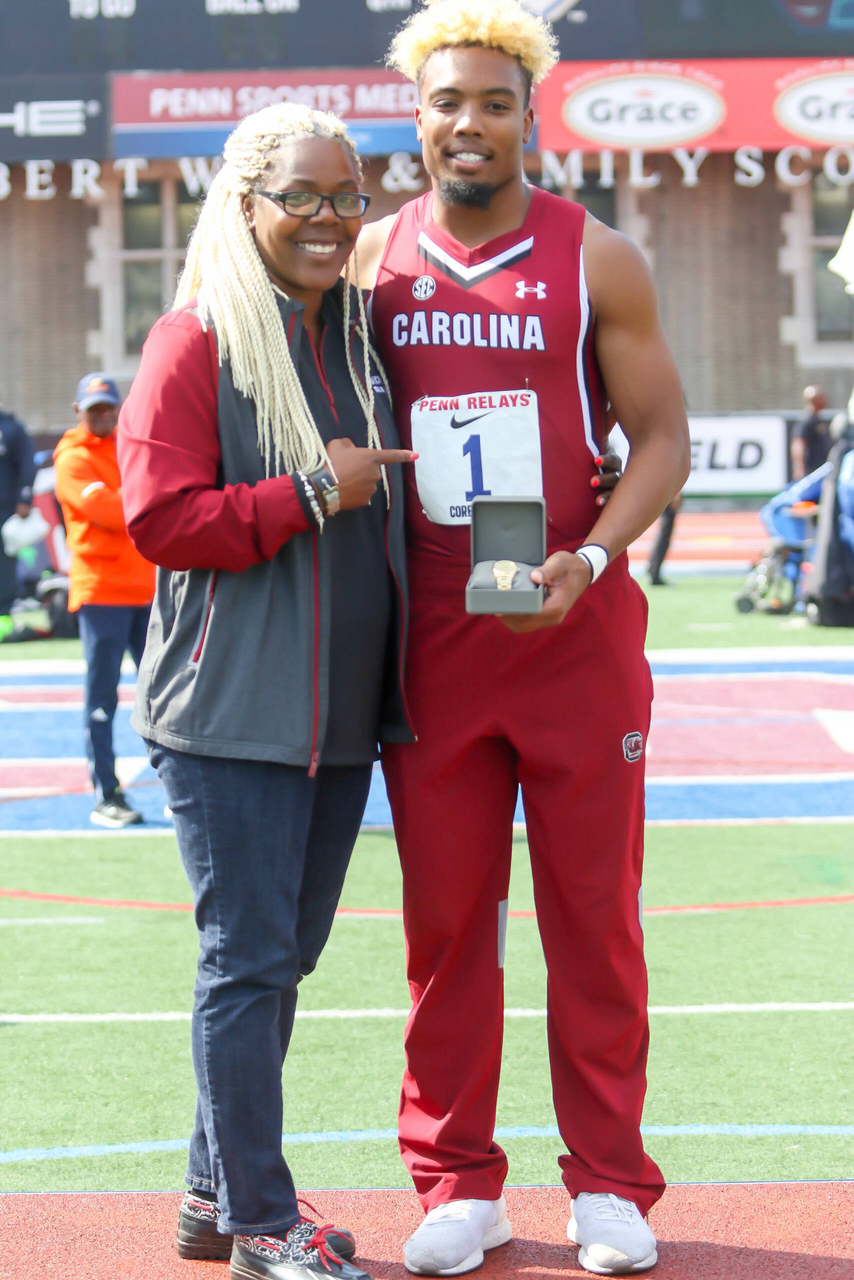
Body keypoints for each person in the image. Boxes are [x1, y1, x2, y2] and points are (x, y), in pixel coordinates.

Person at [355, 1, 691, 1274]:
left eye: (493, 100)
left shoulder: (595, 255)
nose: (469, 121)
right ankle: (456, 1180)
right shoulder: (375, 259)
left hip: (570, 623)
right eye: (447, 101)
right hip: (434, 635)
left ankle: (609, 1182)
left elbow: (660, 434)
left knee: (591, 915)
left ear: (527, 115)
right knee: (444, 925)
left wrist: (593, 553)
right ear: (417, 114)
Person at [116, 104, 417, 1280]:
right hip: (229, 716)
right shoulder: (193, 339)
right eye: (301, 195)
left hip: (338, 717)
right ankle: (259, 1219)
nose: (328, 219)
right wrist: (305, 493)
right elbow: (158, 519)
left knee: (277, 959)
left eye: (346, 195)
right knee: (246, 960)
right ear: (246, 203)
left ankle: (209, 1193)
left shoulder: (355, 336)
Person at [53, 375, 155, 827]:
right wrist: (145, 497)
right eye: (94, 409)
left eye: (108, 407)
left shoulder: (126, 444)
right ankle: (106, 795)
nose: (103, 415)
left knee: (166, 696)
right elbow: (114, 513)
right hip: (101, 593)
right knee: (102, 699)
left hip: (146, 588)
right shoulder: (72, 459)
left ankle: (180, 786)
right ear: (79, 411)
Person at [0, 404, 36, 641]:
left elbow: (27, 463)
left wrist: (24, 497)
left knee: (4, 566)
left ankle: (3, 620)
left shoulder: (10, 428)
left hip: (5, 511)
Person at [791, 385, 831, 480]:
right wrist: (799, 468)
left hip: (821, 470)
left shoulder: (817, 419)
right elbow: (798, 443)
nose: (826, 400)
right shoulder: (806, 420)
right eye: (822, 397)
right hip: (812, 472)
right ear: (815, 400)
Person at [647, 494, 681, 586]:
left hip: (663, 490)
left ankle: (653, 569)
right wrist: (675, 494)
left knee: (664, 532)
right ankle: (654, 571)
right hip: (667, 491)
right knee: (665, 532)